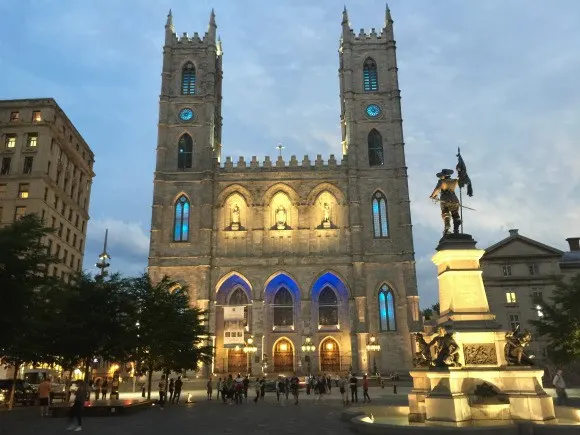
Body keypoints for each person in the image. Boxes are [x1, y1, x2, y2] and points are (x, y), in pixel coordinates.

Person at [429, 168, 461, 235]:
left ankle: (447, 227)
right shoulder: (455, 181)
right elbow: (462, 183)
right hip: (454, 199)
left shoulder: (442, 181)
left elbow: (437, 189)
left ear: (443, 175)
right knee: (455, 213)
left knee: (445, 213)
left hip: (445, 200)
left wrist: (432, 196)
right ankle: (456, 229)